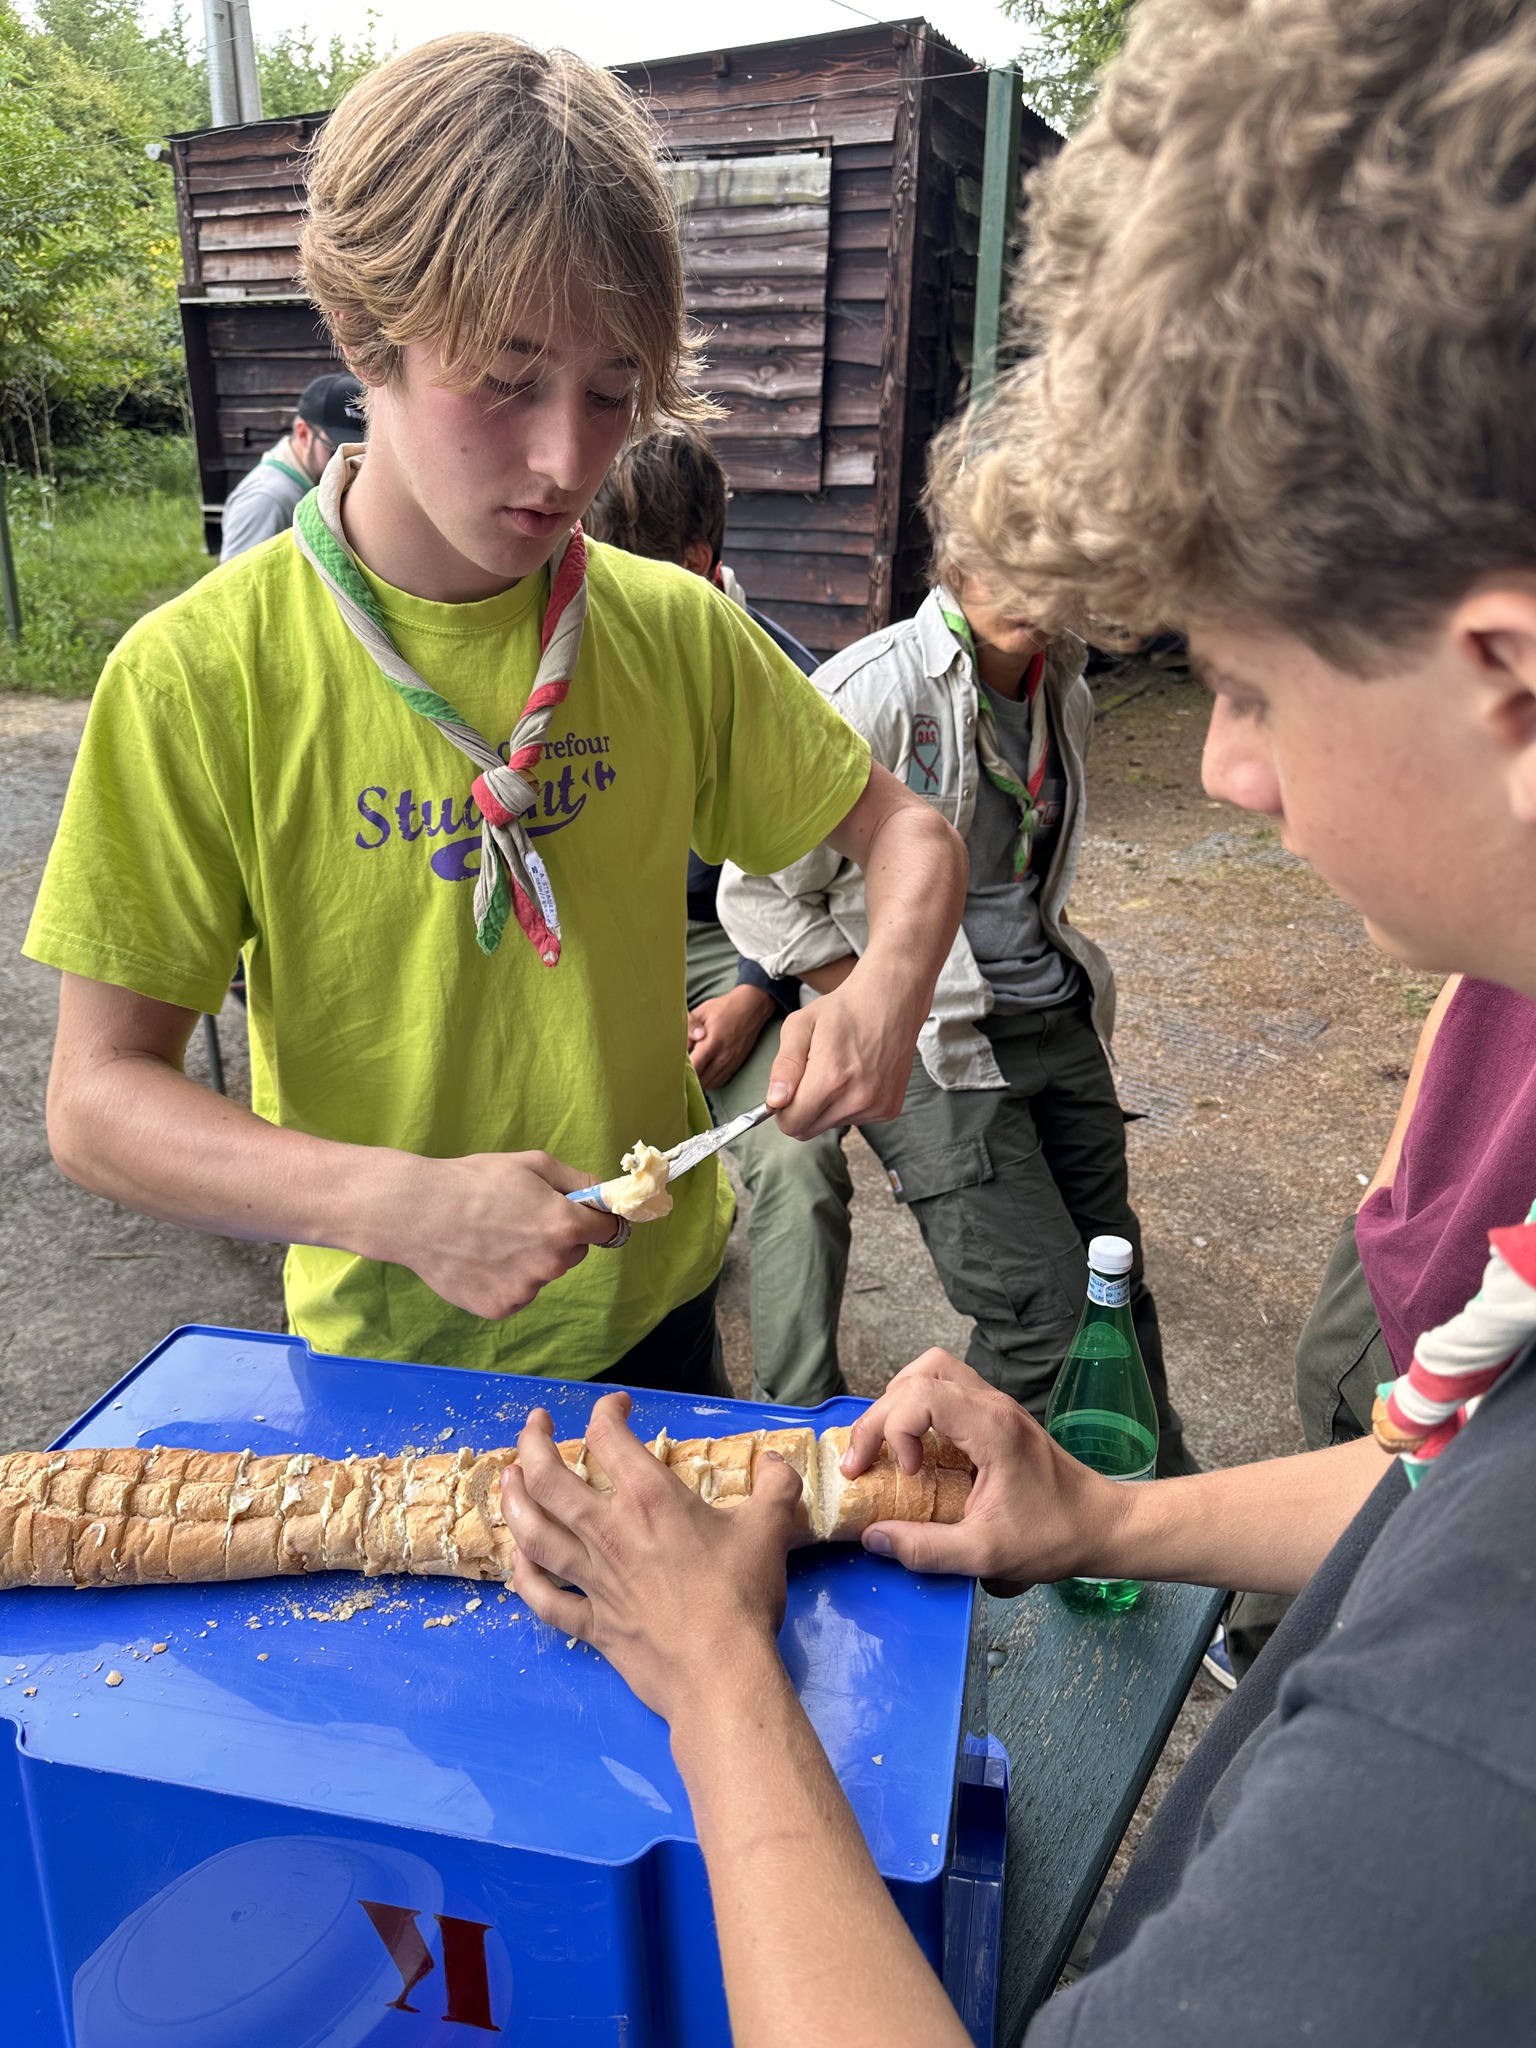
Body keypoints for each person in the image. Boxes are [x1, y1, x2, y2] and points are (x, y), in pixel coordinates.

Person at [498, 2, 1536, 2040]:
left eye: (1247, 687)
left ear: (1506, 680)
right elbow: (1456, 1483)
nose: (1225, 769)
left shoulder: (1464, 1749)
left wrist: (718, 1677)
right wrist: (1113, 1513)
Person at [23, 34, 967, 1402]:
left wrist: (887, 986)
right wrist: (394, 1203)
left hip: (656, 1328)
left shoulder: (673, 631)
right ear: (368, 334)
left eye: (612, 392)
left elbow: (910, 834)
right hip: (381, 1355)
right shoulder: (200, 676)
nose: (568, 459)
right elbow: (98, 1101)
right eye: (507, 378)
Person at [719, 418, 1192, 1471]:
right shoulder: (875, 690)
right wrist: (875, 997)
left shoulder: (1065, 686)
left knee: (1114, 1292)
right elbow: (756, 893)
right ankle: (913, 1497)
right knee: (1043, 1324)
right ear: (955, 555)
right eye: (999, 556)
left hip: (1054, 1016)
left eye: (1053, 557)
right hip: (940, 1049)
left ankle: (1166, 1513)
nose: (1027, 585)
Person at [587, 425, 854, 1406]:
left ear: (699, 563)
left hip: (728, 947)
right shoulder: (558, 652)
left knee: (799, 1155)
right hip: (582, 936)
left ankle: (796, 1422)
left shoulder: (793, 681)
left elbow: (818, 889)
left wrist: (757, 993)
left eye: (626, 570)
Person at [1219, 970, 1536, 1676]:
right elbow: (1468, 994)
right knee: (1307, 1594)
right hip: (1414, 1287)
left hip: (1453, 1325)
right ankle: (1255, 1653)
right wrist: (1389, 1196)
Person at [217, 371, 367, 562]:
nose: (349, 462)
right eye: (335, 450)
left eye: (359, 453)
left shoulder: (309, 484)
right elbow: (240, 579)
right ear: (303, 433)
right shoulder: (265, 501)